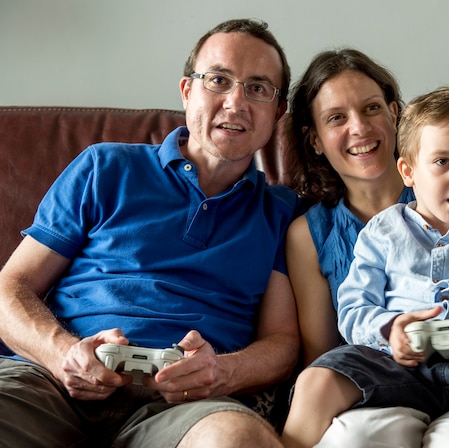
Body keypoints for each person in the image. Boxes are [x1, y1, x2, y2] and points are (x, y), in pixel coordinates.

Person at [0, 18, 300, 448]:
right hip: (49, 382)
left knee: (238, 439)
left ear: (278, 112)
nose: (236, 103)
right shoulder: (105, 166)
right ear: (187, 91)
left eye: (258, 88)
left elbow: (283, 341)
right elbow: (10, 286)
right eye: (218, 80)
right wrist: (62, 354)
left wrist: (224, 372)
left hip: (184, 407)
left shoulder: (282, 211)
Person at [283, 48, 449, 447]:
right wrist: (388, 332)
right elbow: (322, 352)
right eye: (336, 118)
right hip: (385, 373)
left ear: (395, 113)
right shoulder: (313, 232)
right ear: (316, 140)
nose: (359, 127)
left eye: (372, 107)